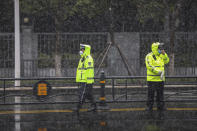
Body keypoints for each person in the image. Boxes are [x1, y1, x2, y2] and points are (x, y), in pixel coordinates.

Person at [145, 42, 169, 112]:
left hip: (160, 79)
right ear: (155, 48)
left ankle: (161, 107)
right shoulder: (149, 56)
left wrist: (164, 54)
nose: (161, 49)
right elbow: (149, 66)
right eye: (159, 48)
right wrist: (158, 72)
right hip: (152, 79)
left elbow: (167, 61)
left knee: (160, 95)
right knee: (151, 95)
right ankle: (149, 107)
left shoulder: (162, 55)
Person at [76, 44, 96, 112]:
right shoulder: (82, 58)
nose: (81, 51)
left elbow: (90, 71)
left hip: (86, 81)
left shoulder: (88, 59)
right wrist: (79, 79)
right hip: (83, 80)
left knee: (82, 93)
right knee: (88, 94)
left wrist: (89, 82)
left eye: (82, 49)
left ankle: (78, 107)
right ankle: (94, 106)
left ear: (86, 50)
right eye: (81, 49)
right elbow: (80, 70)